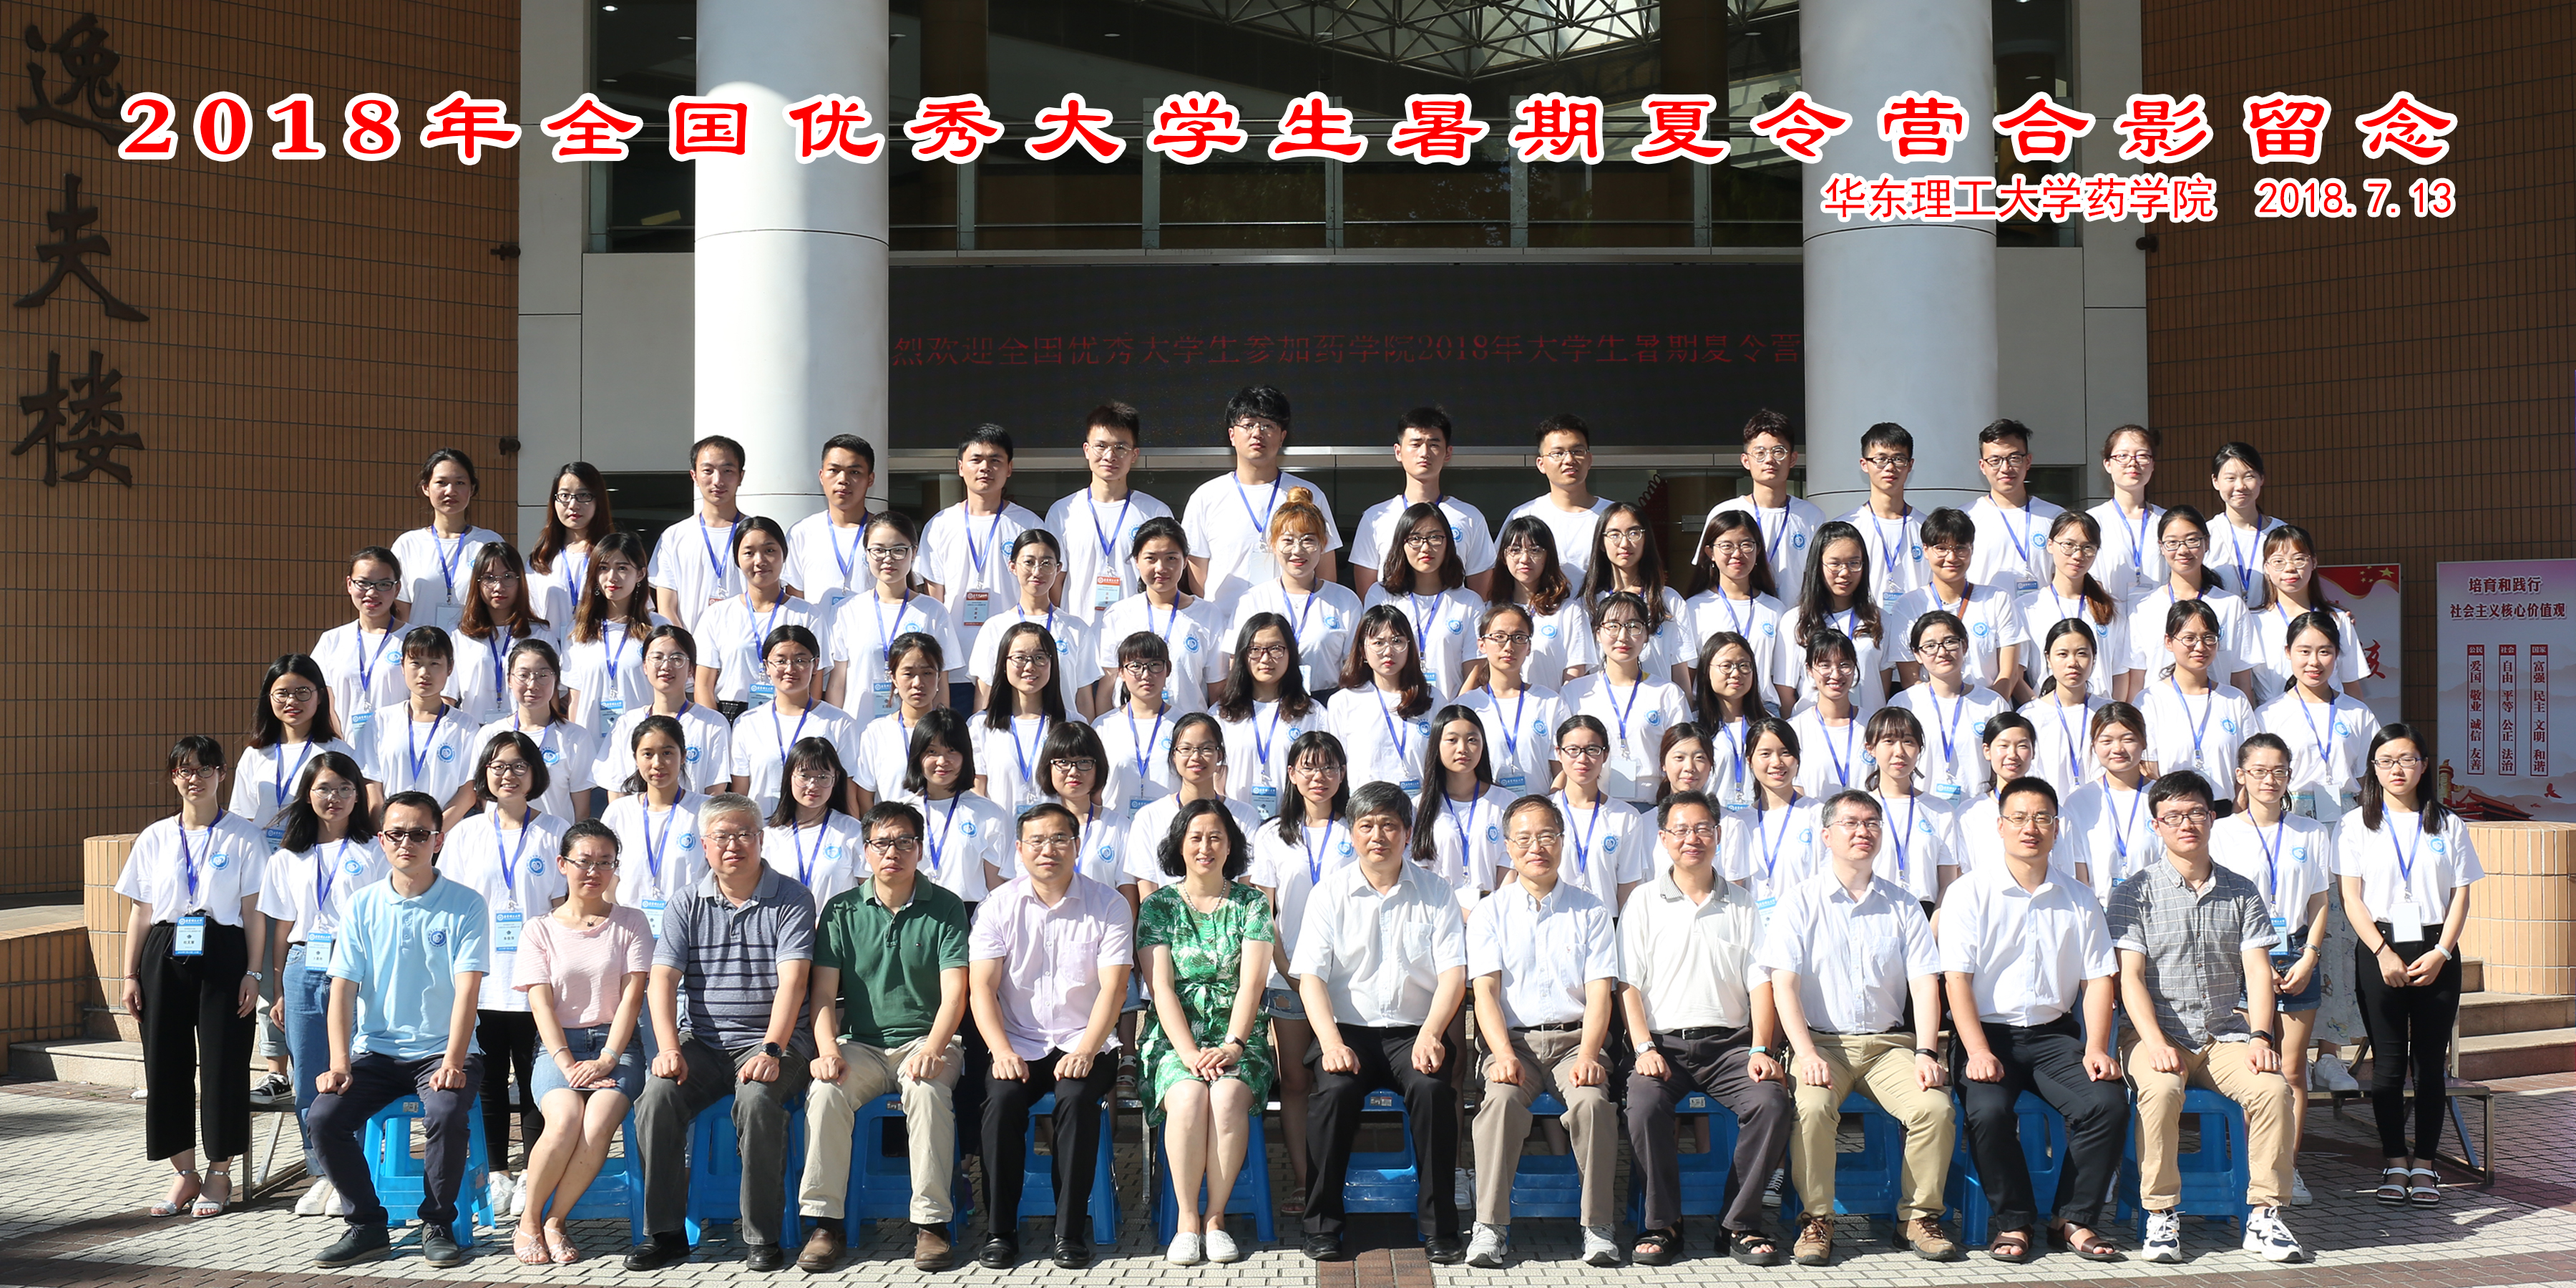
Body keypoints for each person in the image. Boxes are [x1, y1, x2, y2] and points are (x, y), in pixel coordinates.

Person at [2108, 771, 2306, 1263]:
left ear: (2212, 817)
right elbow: (2129, 978)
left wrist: (2260, 1036)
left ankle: (2264, 1215)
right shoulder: (2134, 892)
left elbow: (2257, 971)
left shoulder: (2241, 891)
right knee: (2161, 1091)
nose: (2186, 824)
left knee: (2274, 1089)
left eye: (2196, 812)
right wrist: (2155, 1042)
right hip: (2154, 1035)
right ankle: (2161, 1213)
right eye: (2173, 816)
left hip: (2223, 1036)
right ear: (2156, 825)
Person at [1758, 790, 1959, 1266]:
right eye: (1850, 823)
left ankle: (1918, 1218)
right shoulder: (1800, 901)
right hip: (1821, 1044)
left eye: (1871, 823)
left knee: (1934, 1108)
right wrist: (1806, 1053)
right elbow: (1783, 986)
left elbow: (1925, 985)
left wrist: (1927, 1053)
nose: (1862, 832)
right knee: (1811, 1107)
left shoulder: (1902, 903)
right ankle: (1817, 1220)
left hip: (1889, 1046)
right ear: (1826, 835)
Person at [625, 793, 817, 1273]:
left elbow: (794, 982)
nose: (734, 845)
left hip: (776, 1043)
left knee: (757, 1099)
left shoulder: (792, 897)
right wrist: (668, 1048)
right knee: (656, 1097)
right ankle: (665, 1234)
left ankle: (762, 1237)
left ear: (761, 839)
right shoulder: (686, 902)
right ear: (705, 845)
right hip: (706, 1045)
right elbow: (662, 980)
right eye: (722, 837)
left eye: (744, 834)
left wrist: (772, 1049)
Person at [1940, 777, 2130, 1263]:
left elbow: (2099, 981)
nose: (2031, 828)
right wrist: (1977, 1050)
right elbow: (1957, 981)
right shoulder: (1969, 893)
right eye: (2020, 818)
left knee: (2106, 1102)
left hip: (2053, 1037)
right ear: (2000, 826)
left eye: (2042, 818)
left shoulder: (2079, 897)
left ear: (2057, 828)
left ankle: (2072, 1218)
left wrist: (2096, 1048)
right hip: (1986, 1035)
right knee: (1988, 1112)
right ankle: (2014, 1221)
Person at [304, 790, 488, 1269]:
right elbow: (342, 990)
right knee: (323, 1117)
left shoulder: (466, 904)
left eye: (420, 834)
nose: (408, 843)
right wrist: (340, 1063)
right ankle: (367, 1225)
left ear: (438, 840)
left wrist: (453, 1060)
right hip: (378, 1054)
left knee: (445, 1111)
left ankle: (438, 1222)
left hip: (443, 1052)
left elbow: (468, 992)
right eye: (397, 833)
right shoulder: (362, 905)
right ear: (382, 839)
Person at [1291, 783, 1468, 1263]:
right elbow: (1311, 978)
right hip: (1348, 1032)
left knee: (1433, 1092)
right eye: (1367, 825)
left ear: (1408, 832)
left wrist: (1432, 1033)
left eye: (1390, 825)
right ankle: (1322, 1225)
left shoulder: (1436, 892)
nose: (1378, 836)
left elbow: (1454, 975)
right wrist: (1330, 1043)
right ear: (1351, 833)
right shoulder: (1329, 894)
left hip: (1415, 1032)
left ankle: (1439, 1228)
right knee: (1332, 1095)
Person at [794, 801, 974, 1273]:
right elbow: (823, 996)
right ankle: (825, 1222)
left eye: (904, 841)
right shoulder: (841, 910)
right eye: (882, 843)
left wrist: (933, 1048)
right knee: (825, 1091)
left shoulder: (946, 906)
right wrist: (827, 1051)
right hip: (862, 1045)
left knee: (927, 1090)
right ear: (866, 850)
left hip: (929, 1041)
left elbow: (955, 996)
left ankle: (932, 1224)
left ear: (920, 849)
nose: (892, 852)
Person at [1620, 789, 1792, 1267]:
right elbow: (1628, 986)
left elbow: (1761, 985)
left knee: (1771, 1102)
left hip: (1731, 1048)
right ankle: (1663, 1223)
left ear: (1718, 835)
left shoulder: (1742, 903)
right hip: (1663, 1047)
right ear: (1663, 838)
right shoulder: (1643, 902)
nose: (1691, 838)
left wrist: (1761, 1049)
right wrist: (1643, 1048)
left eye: (1702, 829)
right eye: (1680, 830)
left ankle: (1739, 1224)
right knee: (1644, 1104)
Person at [970, 802, 1136, 1269]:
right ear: (1019, 849)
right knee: (1000, 1102)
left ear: (1077, 846)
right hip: (1018, 1042)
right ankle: (1000, 1231)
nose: (1049, 849)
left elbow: (1114, 989)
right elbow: (981, 988)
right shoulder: (997, 906)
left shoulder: (1108, 904)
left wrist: (1086, 1050)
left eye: (1060, 839)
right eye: (1037, 841)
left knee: (1077, 1100)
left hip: (1087, 1039)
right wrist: (1001, 1051)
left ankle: (1070, 1231)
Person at [1464, 795, 1623, 1268]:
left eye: (1547, 836)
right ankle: (1490, 1226)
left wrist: (1591, 1053)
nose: (1537, 847)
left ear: (1562, 841)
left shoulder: (1591, 910)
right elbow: (1485, 993)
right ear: (1508, 847)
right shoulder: (1490, 913)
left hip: (1576, 1043)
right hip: (1513, 1044)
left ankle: (1598, 1226)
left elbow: (1600, 995)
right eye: (1525, 838)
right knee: (1499, 1103)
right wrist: (1502, 1054)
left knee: (1593, 1105)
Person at [121, 736, 268, 1221]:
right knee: (165, 1063)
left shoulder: (244, 836)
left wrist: (252, 972)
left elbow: (254, 912)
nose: (195, 779)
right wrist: (130, 974)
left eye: (206, 769)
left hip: (223, 950)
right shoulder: (155, 837)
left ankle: (220, 1172)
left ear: (223, 774)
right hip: (165, 949)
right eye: (185, 770)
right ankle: (184, 1172)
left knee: (224, 1063)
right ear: (173, 777)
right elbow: (141, 912)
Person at [2336, 724, 2480, 1209]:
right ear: (2374, 768)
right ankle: (2395, 1162)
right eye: (2386, 760)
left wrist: (2442, 953)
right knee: (2388, 1063)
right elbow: (2351, 898)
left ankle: (2425, 1165)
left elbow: (2461, 895)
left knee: (2431, 1065)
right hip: (2380, 946)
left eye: (2407, 759)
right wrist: (2382, 952)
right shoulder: (2356, 824)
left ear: (2424, 766)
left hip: (2437, 947)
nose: (2397, 769)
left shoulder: (2448, 823)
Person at [1138, 801, 1277, 1265]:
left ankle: (1215, 1219)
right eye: (1195, 837)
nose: (1205, 847)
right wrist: (1189, 1053)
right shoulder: (1158, 906)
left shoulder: (1252, 904)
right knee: (1189, 1096)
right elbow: (1160, 987)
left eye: (1216, 837)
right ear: (1179, 845)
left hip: (1239, 1035)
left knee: (1227, 1096)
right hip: (1174, 1038)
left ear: (1230, 845)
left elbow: (1252, 984)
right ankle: (1186, 1221)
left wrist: (1233, 1045)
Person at [441, 731, 572, 1219]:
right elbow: (453, 905)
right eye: (497, 766)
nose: (507, 775)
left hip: (538, 980)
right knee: (490, 1081)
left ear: (535, 773)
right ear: (484, 774)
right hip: (483, 978)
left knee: (538, 1082)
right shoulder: (465, 834)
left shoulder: (556, 830)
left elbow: (564, 907)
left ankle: (535, 1172)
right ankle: (497, 1172)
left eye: (518, 765)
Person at [509, 821, 653, 1266]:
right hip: (558, 1049)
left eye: (605, 862)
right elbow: (540, 1005)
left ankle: (555, 1220)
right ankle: (528, 1222)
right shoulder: (538, 929)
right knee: (565, 1118)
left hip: (619, 1046)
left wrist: (608, 1058)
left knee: (597, 1122)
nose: (594, 871)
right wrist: (568, 1063)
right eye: (584, 861)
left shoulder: (632, 922)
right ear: (562, 864)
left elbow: (632, 998)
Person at [258, 752, 386, 1216]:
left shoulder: (374, 851)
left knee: (357, 1073)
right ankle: (322, 1173)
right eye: (324, 789)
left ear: (358, 795)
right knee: (310, 1077)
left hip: (358, 964)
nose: (334, 798)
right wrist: (279, 989)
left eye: (345, 788)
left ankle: (357, 1172)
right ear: (307, 795)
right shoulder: (287, 857)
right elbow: (280, 928)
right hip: (302, 965)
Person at [2214, 733, 2334, 1208]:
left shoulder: (2311, 832)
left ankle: (2287, 1168)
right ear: (2240, 775)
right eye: (2259, 771)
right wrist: (2257, 961)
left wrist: (2311, 956)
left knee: (2292, 1070)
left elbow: (2320, 900)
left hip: (2297, 953)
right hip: (2244, 955)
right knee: (2256, 1067)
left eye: (2279, 771)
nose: (2270, 780)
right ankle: (2252, 1166)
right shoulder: (2222, 832)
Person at [1246, 731, 1356, 1208]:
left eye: (1329, 766)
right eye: (1308, 767)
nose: (1319, 776)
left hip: (1348, 979)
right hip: (1287, 976)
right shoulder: (1271, 834)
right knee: (1294, 1081)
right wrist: (1290, 970)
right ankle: (1302, 1179)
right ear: (1291, 774)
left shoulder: (1356, 827)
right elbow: (1263, 913)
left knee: (1343, 1079)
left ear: (1342, 773)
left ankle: (1338, 1179)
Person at [919, 425, 1045, 705]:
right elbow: (935, 600)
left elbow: (1042, 594)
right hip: (954, 665)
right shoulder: (939, 525)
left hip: (1012, 666)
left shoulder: (1029, 525)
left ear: (1009, 468)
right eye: (976, 460)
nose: (985, 467)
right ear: (960, 467)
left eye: (995, 460)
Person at [1184, 386, 1343, 601]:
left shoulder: (1309, 495)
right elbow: (1197, 576)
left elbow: (1326, 572)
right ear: (1232, 435)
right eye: (1248, 425)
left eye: (1268, 425)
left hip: (1289, 619)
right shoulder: (1206, 497)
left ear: (1282, 437)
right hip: (1226, 619)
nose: (1258, 433)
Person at [824, 511, 962, 726]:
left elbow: (941, 683)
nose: (888, 559)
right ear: (866, 554)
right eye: (879, 550)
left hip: (916, 734)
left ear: (913, 553)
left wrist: (939, 731)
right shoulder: (846, 610)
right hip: (859, 731)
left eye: (898, 550)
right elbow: (837, 683)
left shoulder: (933, 611)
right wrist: (835, 732)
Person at [1226, 487, 1363, 695]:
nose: (1298, 550)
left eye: (1308, 540)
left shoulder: (1345, 601)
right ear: (1273, 544)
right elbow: (1236, 662)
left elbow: (1354, 667)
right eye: (1288, 540)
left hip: (1327, 701)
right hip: (1268, 701)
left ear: (1323, 545)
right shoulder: (1253, 600)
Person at [1351, 407, 1497, 600]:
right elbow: (1367, 596)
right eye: (1416, 444)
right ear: (1398, 451)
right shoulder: (1375, 517)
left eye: (1434, 444)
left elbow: (1481, 596)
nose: (1424, 453)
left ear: (1448, 453)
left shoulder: (1470, 517)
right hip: (1392, 619)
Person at [1563, 591, 1693, 808]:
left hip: (1654, 806)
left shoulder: (1667, 693)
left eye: (1633, 626)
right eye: (1613, 626)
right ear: (1597, 633)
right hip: (1595, 807)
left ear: (1646, 634)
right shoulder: (1575, 692)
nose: (1623, 636)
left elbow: (1683, 754)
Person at [695, 516, 834, 718]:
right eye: (749, 553)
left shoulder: (808, 615)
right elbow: (703, 686)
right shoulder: (717, 615)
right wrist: (718, 727)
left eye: (769, 551)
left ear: (784, 555)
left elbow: (815, 683)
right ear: (737, 559)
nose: (760, 561)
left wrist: (803, 723)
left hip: (791, 715)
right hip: (730, 715)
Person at [1046, 402, 1174, 621]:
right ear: (1087, 450)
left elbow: (1166, 581)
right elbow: (1054, 582)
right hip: (1079, 632)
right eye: (1101, 446)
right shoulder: (1063, 512)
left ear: (1134, 454)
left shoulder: (1155, 512)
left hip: (1138, 632)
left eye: (1120, 447)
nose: (1110, 455)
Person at [2255, 610, 2382, 819]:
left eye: (2324, 652)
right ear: (2288, 652)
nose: (2314, 662)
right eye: (2304, 651)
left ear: (2337, 653)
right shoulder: (2267, 715)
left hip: (2347, 819)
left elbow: (2368, 778)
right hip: (2289, 819)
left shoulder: (2358, 713)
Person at [1889, 507, 2029, 697]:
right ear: (1926, 550)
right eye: (1941, 548)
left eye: (1960, 548)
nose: (1952, 558)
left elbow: (2009, 673)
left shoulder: (1997, 599)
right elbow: (1910, 679)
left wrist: (1992, 709)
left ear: (1972, 549)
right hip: (1933, 711)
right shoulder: (1908, 606)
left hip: (1990, 710)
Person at [1093, 517, 1225, 713]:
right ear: (1137, 561)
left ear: (1185, 561)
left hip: (1189, 729)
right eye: (1151, 558)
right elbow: (1107, 688)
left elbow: (1217, 690)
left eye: (1171, 558)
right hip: (1131, 728)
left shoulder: (1208, 615)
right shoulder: (1119, 615)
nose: (1161, 568)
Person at [967, 529, 1101, 718]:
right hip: (1010, 732)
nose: (1037, 572)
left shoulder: (1076, 629)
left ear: (1058, 568)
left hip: (1063, 732)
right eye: (1029, 562)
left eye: (1046, 563)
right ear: (1013, 566)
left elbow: (1083, 700)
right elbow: (984, 697)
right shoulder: (995, 628)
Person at [1125, 713, 1262, 898]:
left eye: (1206, 748)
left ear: (1220, 754)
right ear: (1174, 756)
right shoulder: (1148, 817)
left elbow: (1246, 885)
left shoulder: (1245, 815)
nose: (1196, 757)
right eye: (1186, 749)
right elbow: (1148, 893)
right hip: (1167, 916)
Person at [1362, 500, 1488, 702]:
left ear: (1448, 543)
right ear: (1402, 543)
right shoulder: (1381, 596)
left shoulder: (1469, 602)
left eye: (1435, 538)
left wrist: (1454, 712)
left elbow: (1475, 668)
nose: (1426, 547)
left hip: (1451, 711)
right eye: (1415, 539)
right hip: (1394, 710)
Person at [728, 625, 859, 817]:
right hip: (764, 830)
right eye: (780, 661)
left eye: (800, 661)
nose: (790, 669)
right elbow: (741, 793)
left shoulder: (839, 722)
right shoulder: (747, 723)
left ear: (815, 665)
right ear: (766, 666)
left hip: (820, 830)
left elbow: (848, 793)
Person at [233, 654, 357, 851]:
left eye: (302, 692)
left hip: (314, 856)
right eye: (282, 693)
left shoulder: (338, 752)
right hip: (261, 857)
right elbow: (244, 816)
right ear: (269, 697)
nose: (292, 701)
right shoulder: (255, 754)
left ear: (320, 697)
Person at [888, 708, 1013, 904]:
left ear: (966, 755)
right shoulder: (901, 814)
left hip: (969, 914)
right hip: (913, 913)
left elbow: (996, 887)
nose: (942, 761)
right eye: (932, 752)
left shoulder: (989, 814)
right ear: (918, 756)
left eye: (952, 751)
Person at [469, 639, 599, 824]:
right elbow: (485, 797)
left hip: (556, 838)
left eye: (543, 675)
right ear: (510, 680)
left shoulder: (576, 737)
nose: (532, 685)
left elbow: (582, 811)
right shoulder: (490, 734)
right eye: (523, 675)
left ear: (556, 679)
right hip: (501, 837)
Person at [2131, 506, 2258, 693]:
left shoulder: (2231, 606)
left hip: (2216, 707)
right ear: (2161, 547)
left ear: (2207, 542)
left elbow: (2241, 679)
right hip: (2157, 709)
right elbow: (2136, 679)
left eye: (2192, 540)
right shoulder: (2143, 608)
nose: (2183, 550)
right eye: (2172, 542)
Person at [596, 625, 733, 799]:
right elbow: (617, 791)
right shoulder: (626, 724)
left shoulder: (713, 723)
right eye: (657, 658)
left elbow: (715, 793)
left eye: (677, 659)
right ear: (645, 666)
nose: (666, 666)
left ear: (691, 669)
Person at [600, 714, 706, 937]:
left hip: (689, 932)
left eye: (667, 753)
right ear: (636, 758)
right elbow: (608, 883)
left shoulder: (705, 810)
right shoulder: (619, 812)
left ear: (683, 756)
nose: (657, 763)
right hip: (629, 934)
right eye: (648, 754)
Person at [357, 627, 477, 821]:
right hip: (391, 834)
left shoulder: (466, 726)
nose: (424, 673)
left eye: (434, 663)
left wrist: (435, 833)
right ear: (403, 666)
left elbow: (468, 792)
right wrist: (387, 831)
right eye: (416, 663)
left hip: (445, 835)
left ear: (450, 668)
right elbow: (372, 785)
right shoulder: (380, 721)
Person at [2140, 600, 2255, 798]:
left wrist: (2238, 806)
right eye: (2189, 638)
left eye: (2209, 638)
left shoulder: (2235, 700)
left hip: (2227, 809)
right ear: (2169, 642)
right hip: (2174, 809)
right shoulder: (2150, 701)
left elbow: (2250, 761)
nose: (2200, 647)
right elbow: (2148, 767)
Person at [1703, 409, 1829, 589]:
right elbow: (1707, 574)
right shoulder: (1724, 512)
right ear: (1746, 461)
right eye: (1760, 453)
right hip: (1740, 607)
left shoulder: (1811, 516)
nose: (1769, 460)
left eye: (1778, 452)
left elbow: (1821, 577)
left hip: (1796, 608)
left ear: (1793, 459)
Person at [1888, 611, 2007, 799]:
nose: (1942, 652)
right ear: (1917, 654)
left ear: (1964, 646)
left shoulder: (1993, 703)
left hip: (1978, 808)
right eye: (1930, 646)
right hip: (1921, 808)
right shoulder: (1903, 704)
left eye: (1950, 642)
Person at [1214, 613, 1323, 816]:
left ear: (1290, 653)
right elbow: (1216, 776)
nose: (1265, 658)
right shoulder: (1222, 714)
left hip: (1293, 823)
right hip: (1236, 823)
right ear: (1242, 655)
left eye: (1275, 649)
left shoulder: (1313, 714)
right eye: (1255, 650)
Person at [2245, 526, 2369, 706]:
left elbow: (2351, 684)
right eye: (2279, 561)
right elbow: (2243, 683)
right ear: (2266, 567)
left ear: (2314, 562)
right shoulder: (2252, 621)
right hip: (2271, 719)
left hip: (2331, 716)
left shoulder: (2337, 619)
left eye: (2299, 559)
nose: (2290, 568)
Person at [2021, 510, 2137, 702]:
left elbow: (2119, 672)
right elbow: (2017, 674)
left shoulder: (2111, 608)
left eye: (2087, 547)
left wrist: (2112, 712)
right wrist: (2038, 710)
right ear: (2050, 545)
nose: (2078, 555)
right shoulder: (2026, 607)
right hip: (2047, 710)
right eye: (2068, 545)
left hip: (2100, 713)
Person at [1543, 714, 1652, 913]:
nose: (1582, 759)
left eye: (1592, 749)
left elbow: (1627, 886)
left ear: (1605, 754)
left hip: (1606, 922)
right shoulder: (1543, 813)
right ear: (1559, 753)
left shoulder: (1626, 817)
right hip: (1555, 920)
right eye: (1573, 750)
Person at [1780, 522, 1895, 713]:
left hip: (1867, 726)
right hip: (1813, 728)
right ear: (1818, 566)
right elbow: (1786, 694)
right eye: (1835, 564)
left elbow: (1883, 687)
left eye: (1854, 563)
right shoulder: (1794, 621)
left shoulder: (1880, 620)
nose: (1845, 572)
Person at [1457, 602, 1568, 796]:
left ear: (1529, 646)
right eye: (1499, 637)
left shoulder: (1550, 702)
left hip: (1539, 809)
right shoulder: (1465, 707)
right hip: (1486, 809)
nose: (1509, 646)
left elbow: (1563, 768)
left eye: (1519, 638)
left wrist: (1546, 806)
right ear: (1482, 645)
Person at [1327, 603, 1440, 794]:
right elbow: (1336, 766)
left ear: (1409, 646)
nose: (1388, 651)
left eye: (1397, 641)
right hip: (1367, 807)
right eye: (1378, 643)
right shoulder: (1343, 702)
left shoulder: (1433, 698)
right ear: (1363, 650)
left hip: (1420, 807)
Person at [447, 542, 563, 727]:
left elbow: (552, 697)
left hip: (526, 733)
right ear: (477, 582)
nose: (499, 586)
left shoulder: (540, 634)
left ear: (521, 581)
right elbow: (448, 697)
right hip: (475, 732)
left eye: (508, 577)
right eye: (489, 578)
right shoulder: (460, 637)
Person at [561, 530, 662, 736]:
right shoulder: (578, 630)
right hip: (591, 742)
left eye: (622, 568)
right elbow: (575, 698)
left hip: (643, 742)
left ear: (640, 574)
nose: (612, 577)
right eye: (604, 568)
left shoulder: (658, 628)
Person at [392, 448, 502, 633]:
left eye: (460, 483)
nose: (450, 491)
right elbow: (401, 611)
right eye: (441, 483)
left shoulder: (489, 542)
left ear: (472, 489)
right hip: (423, 649)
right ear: (426, 488)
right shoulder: (408, 544)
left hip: (476, 645)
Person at [1582, 503, 1692, 689]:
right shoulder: (1588, 602)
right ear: (1601, 543)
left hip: (1659, 702)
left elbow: (1680, 673)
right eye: (1614, 535)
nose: (1625, 543)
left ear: (1646, 539)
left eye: (1634, 533)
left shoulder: (1670, 600)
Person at [1687, 509, 1793, 699]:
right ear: (1710, 553)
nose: (1737, 554)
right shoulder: (1694, 608)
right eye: (1726, 546)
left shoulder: (1775, 609)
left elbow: (1781, 678)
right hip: (1710, 710)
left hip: (1763, 709)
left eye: (1746, 545)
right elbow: (1688, 675)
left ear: (1758, 550)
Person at [1720, 717, 1825, 909]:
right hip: (1755, 923)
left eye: (1785, 753)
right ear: (1750, 760)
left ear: (1797, 758)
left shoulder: (1818, 814)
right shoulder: (1739, 822)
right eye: (1765, 754)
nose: (1777, 762)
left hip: (1807, 920)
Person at [648, 435, 748, 633]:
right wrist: (684, 647)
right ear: (694, 476)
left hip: (747, 646)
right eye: (708, 471)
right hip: (689, 647)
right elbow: (667, 606)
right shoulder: (674, 536)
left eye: (727, 471)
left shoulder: (756, 534)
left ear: (741, 477)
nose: (717, 480)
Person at [1415, 706, 1515, 899]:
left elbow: (1509, 870)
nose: (1463, 749)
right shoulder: (1418, 807)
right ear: (1436, 745)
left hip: (1492, 910)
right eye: (1452, 740)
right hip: (1440, 909)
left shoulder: (1506, 802)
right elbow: (1420, 872)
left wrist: (1492, 911)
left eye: (1472, 740)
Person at [2062, 702, 2160, 899]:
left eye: (2128, 739)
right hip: (2100, 911)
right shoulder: (2078, 803)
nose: (2118, 749)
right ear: (2094, 745)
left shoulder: (2163, 798)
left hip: (2156, 907)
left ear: (2144, 742)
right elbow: (2079, 873)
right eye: (2106, 741)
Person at [1506, 414, 1615, 590]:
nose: (1569, 460)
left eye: (1577, 451)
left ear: (1589, 459)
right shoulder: (1523, 516)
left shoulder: (1614, 516)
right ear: (1541, 464)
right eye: (1558, 453)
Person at [972, 621, 1068, 817]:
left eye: (1039, 658)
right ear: (1004, 664)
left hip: (1055, 834)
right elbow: (976, 793)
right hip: (1000, 833)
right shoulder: (980, 726)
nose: (1030, 666)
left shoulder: (1072, 724)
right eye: (1020, 658)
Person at [313, 545, 410, 737]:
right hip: (345, 749)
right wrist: (340, 745)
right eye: (363, 583)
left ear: (397, 588)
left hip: (400, 749)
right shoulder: (332, 640)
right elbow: (324, 702)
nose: (372, 593)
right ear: (350, 584)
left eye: (383, 584)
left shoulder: (414, 639)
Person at [1863, 708, 1957, 908]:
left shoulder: (1941, 811)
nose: (1899, 752)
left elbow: (1948, 884)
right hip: (1875, 911)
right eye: (1889, 741)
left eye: (1908, 741)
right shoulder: (1860, 810)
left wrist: (1935, 923)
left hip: (1927, 914)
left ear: (1919, 748)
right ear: (1870, 748)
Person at [1493, 514, 1597, 688]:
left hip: (1554, 704)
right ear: (1504, 556)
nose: (1524, 559)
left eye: (1535, 550)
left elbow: (1574, 678)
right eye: (1516, 550)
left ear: (1548, 556)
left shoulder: (1569, 612)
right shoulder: (1491, 609)